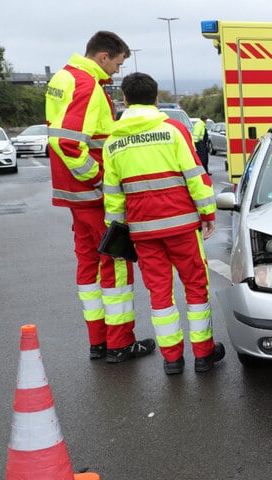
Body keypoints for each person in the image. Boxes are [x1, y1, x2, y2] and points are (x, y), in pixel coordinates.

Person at [102, 72, 225, 375]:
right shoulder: (172, 130)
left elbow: (113, 197)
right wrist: (208, 213)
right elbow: (195, 175)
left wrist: (117, 233)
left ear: (125, 100)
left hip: (144, 232)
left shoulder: (113, 141)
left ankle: (172, 359)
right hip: (182, 227)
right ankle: (204, 354)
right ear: (156, 99)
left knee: (159, 294)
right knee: (196, 288)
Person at [45, 31, 156, 363]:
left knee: (89, 266)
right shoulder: (86, 85)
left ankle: (98, 342)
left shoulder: (62, 77)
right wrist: (99, 180)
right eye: (118, 62)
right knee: (116, 265)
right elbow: (67, 143)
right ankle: (120, 343)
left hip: (73, 196)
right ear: (104, 56)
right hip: (92, 196)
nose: (118, 71)